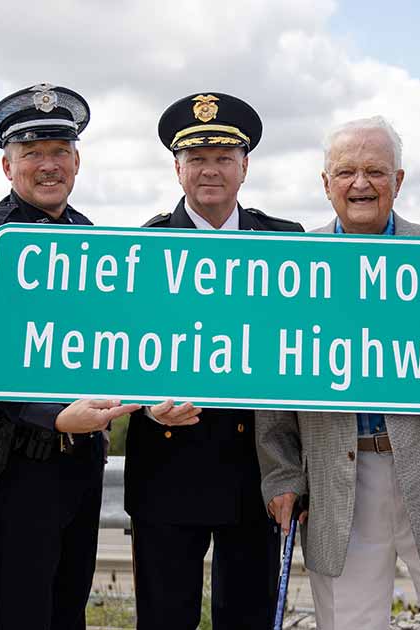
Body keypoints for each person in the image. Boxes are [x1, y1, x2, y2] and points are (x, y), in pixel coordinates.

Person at [255, 116, 420, 630]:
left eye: (375, 170)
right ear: (326, 184)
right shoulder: (293, 266)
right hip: (338, 483)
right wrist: (281, 473)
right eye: (346, 171)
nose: (360, 184)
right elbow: (273, 390)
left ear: (399, 180)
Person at [0, 83, 139, 630]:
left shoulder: (89, 236)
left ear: (77, 161)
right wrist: (53, 416)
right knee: (21, 612)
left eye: (59, 152)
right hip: (17, 462)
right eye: (31, 153)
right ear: (7, 168)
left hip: (79, 458)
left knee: (68, 608)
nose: (48, 165)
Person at [124, 91, 303, 630]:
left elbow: (312, 346)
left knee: (246, 618)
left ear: (244, 166)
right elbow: (115, 355)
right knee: (164, 618)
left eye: (223, 158)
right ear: (177, 168)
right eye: (196, 158)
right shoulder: (140, 248)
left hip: (256, 470)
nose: (210, 170)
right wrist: (147, 407)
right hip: (167, 468)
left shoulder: (286, 241)